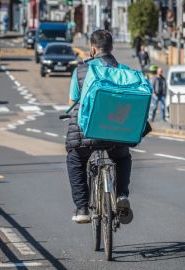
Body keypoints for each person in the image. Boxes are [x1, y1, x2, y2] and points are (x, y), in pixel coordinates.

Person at [67, 30, 133, 224]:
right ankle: (121, 195)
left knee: (76, 159)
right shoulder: (123, 71)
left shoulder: (80, 70)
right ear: (111, 49)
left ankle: (82, 209)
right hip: (116, 131)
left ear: (92, 49)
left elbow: (72, 103)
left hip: (86, 133)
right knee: (122, 157)